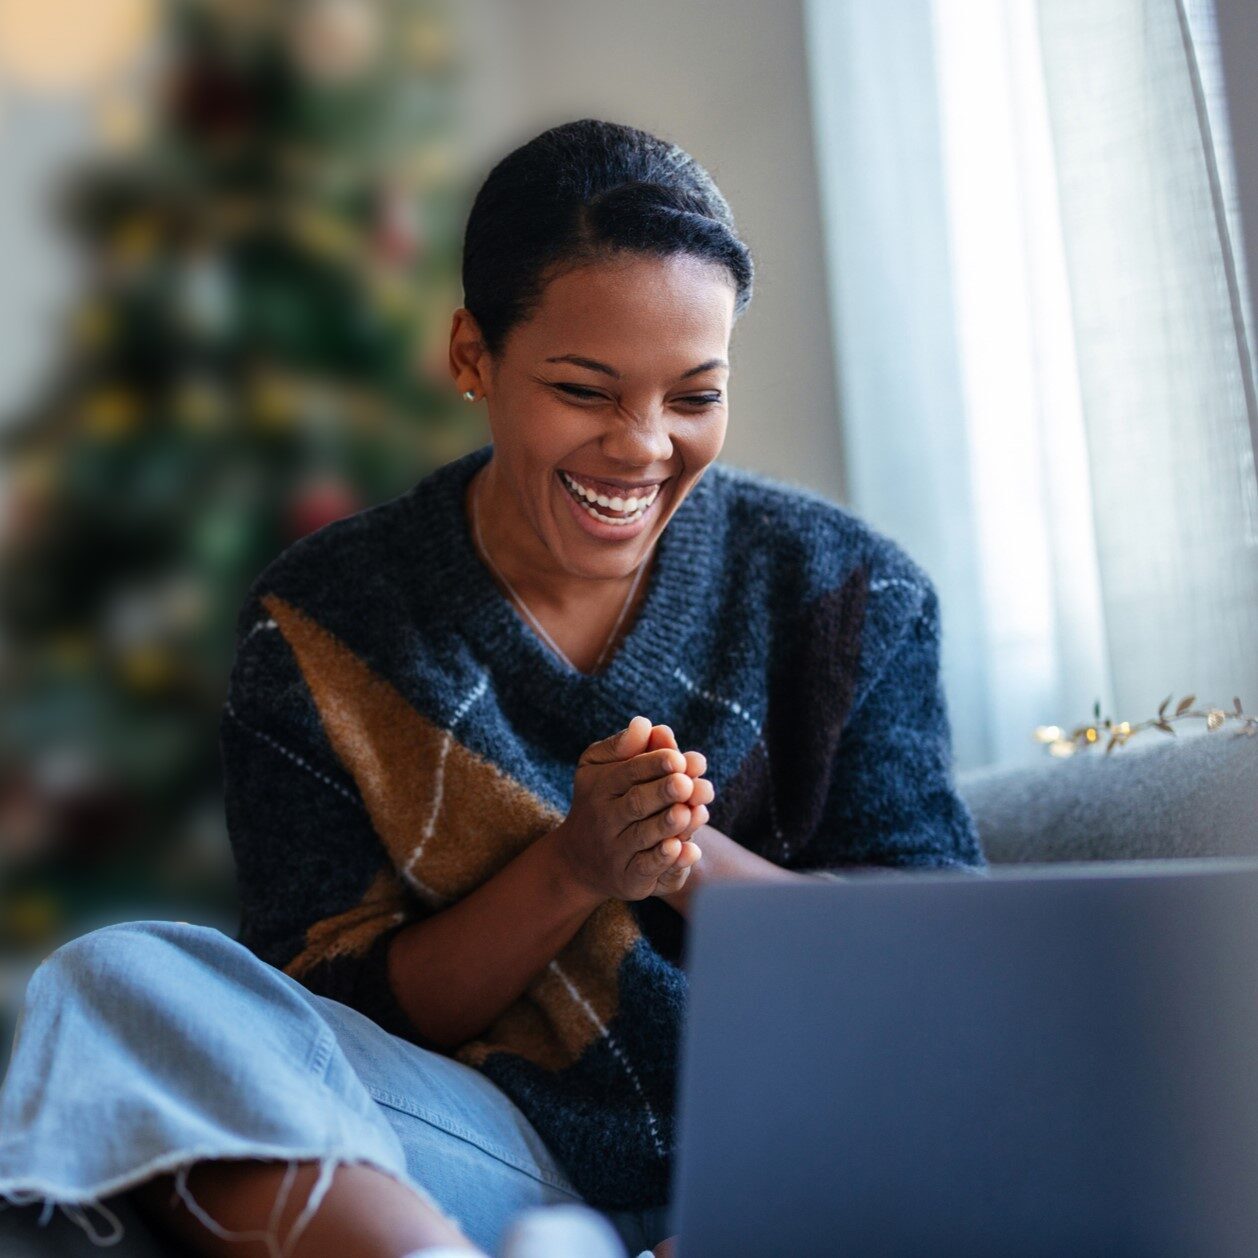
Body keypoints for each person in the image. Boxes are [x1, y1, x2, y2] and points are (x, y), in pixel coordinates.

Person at [0, 117, 987, 1258]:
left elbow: (936, 974)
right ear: (472, 356)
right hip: (484, 1162)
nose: (642, 445)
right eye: (585, 389)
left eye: (694, 394)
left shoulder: (848, 592)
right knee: (116, 983)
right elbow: (329, 1013)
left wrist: (676, 851)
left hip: (803, 1153)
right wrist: (570, 868)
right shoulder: (327, 621)